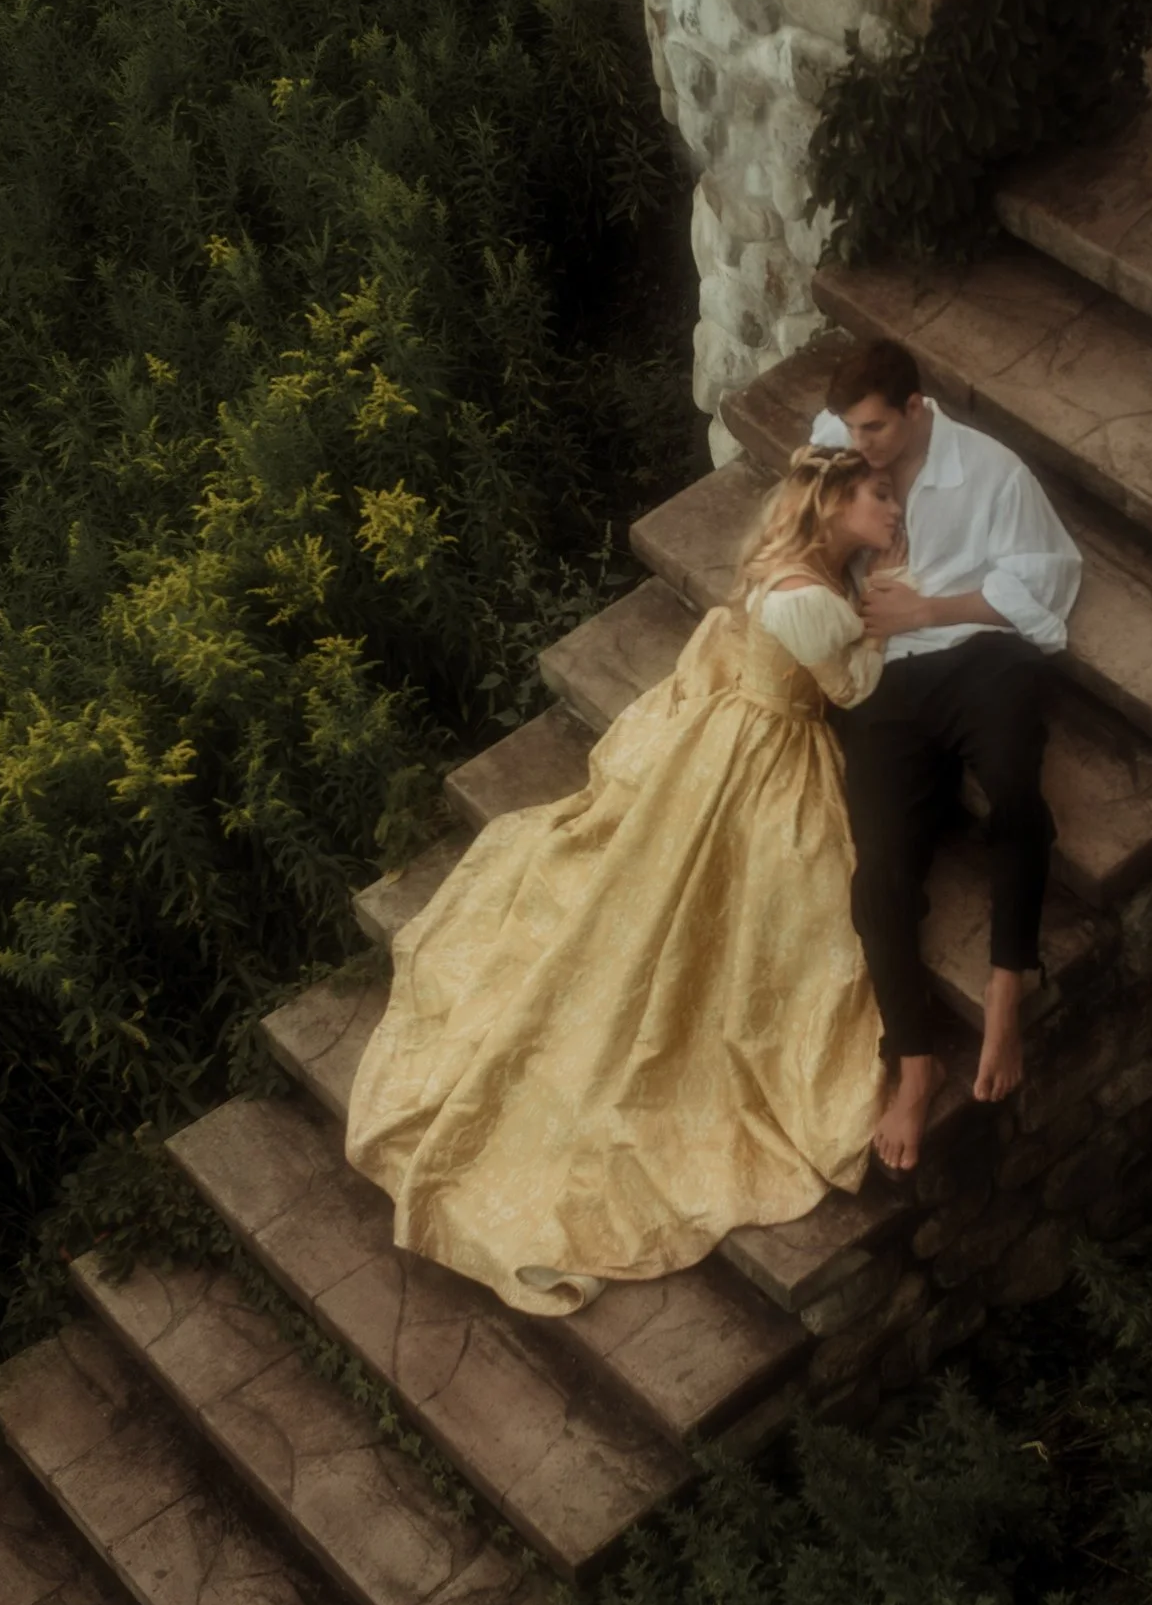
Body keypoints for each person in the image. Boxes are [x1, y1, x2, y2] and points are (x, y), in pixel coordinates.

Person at [343, 447, 902, 1317]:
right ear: (831, 507)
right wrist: (886, 619)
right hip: (772, 756)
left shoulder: (786, 573)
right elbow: (856, 688)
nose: (893, 508)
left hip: (725, 736)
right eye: (878, 496)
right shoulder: (812, 601)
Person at [813, 337, 1082, 1172]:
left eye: (877, 430)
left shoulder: (994, 474)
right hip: (891, 677)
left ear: (917, 409)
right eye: (854, 428)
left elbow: (1048, 578)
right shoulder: (844, 442)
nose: (862, 446)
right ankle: (917, 1061)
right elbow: (808, 513)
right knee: (880, 868)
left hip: (978, 653)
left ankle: (1008, 987)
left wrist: (927, 609)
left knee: (1010, 792)